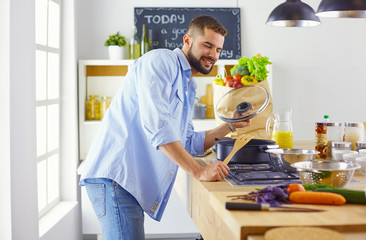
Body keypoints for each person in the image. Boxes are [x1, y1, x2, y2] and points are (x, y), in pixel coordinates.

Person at [80, 15, 251, 240]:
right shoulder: (161, 61)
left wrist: (228, 126)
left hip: (126, 182)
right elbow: (158, 126)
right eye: (207, 45)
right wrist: (199, 171)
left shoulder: (187, 83)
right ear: (187, 39)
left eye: (218, 49)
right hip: (116, 177)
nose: (213, 55)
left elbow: (188, 142)